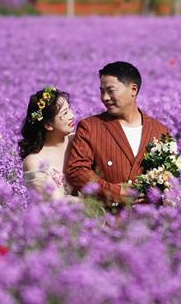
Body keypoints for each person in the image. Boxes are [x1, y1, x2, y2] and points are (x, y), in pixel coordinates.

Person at [65, 61, 171, 206]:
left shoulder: (160, 131)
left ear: (133, 89)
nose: (105, 97)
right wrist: (115, 192)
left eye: (111, 90)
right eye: (102, 91)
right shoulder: (90, 127)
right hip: (108, 222)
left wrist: (156, 195)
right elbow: (77, 172)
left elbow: (171, 178)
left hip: (151, 221)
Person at [19, 85, 76, 200]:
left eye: (69, 109)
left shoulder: (77, 140)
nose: (72, 116)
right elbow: (56, 204)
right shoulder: (34, 162)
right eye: (65, 113)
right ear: (48, 125)